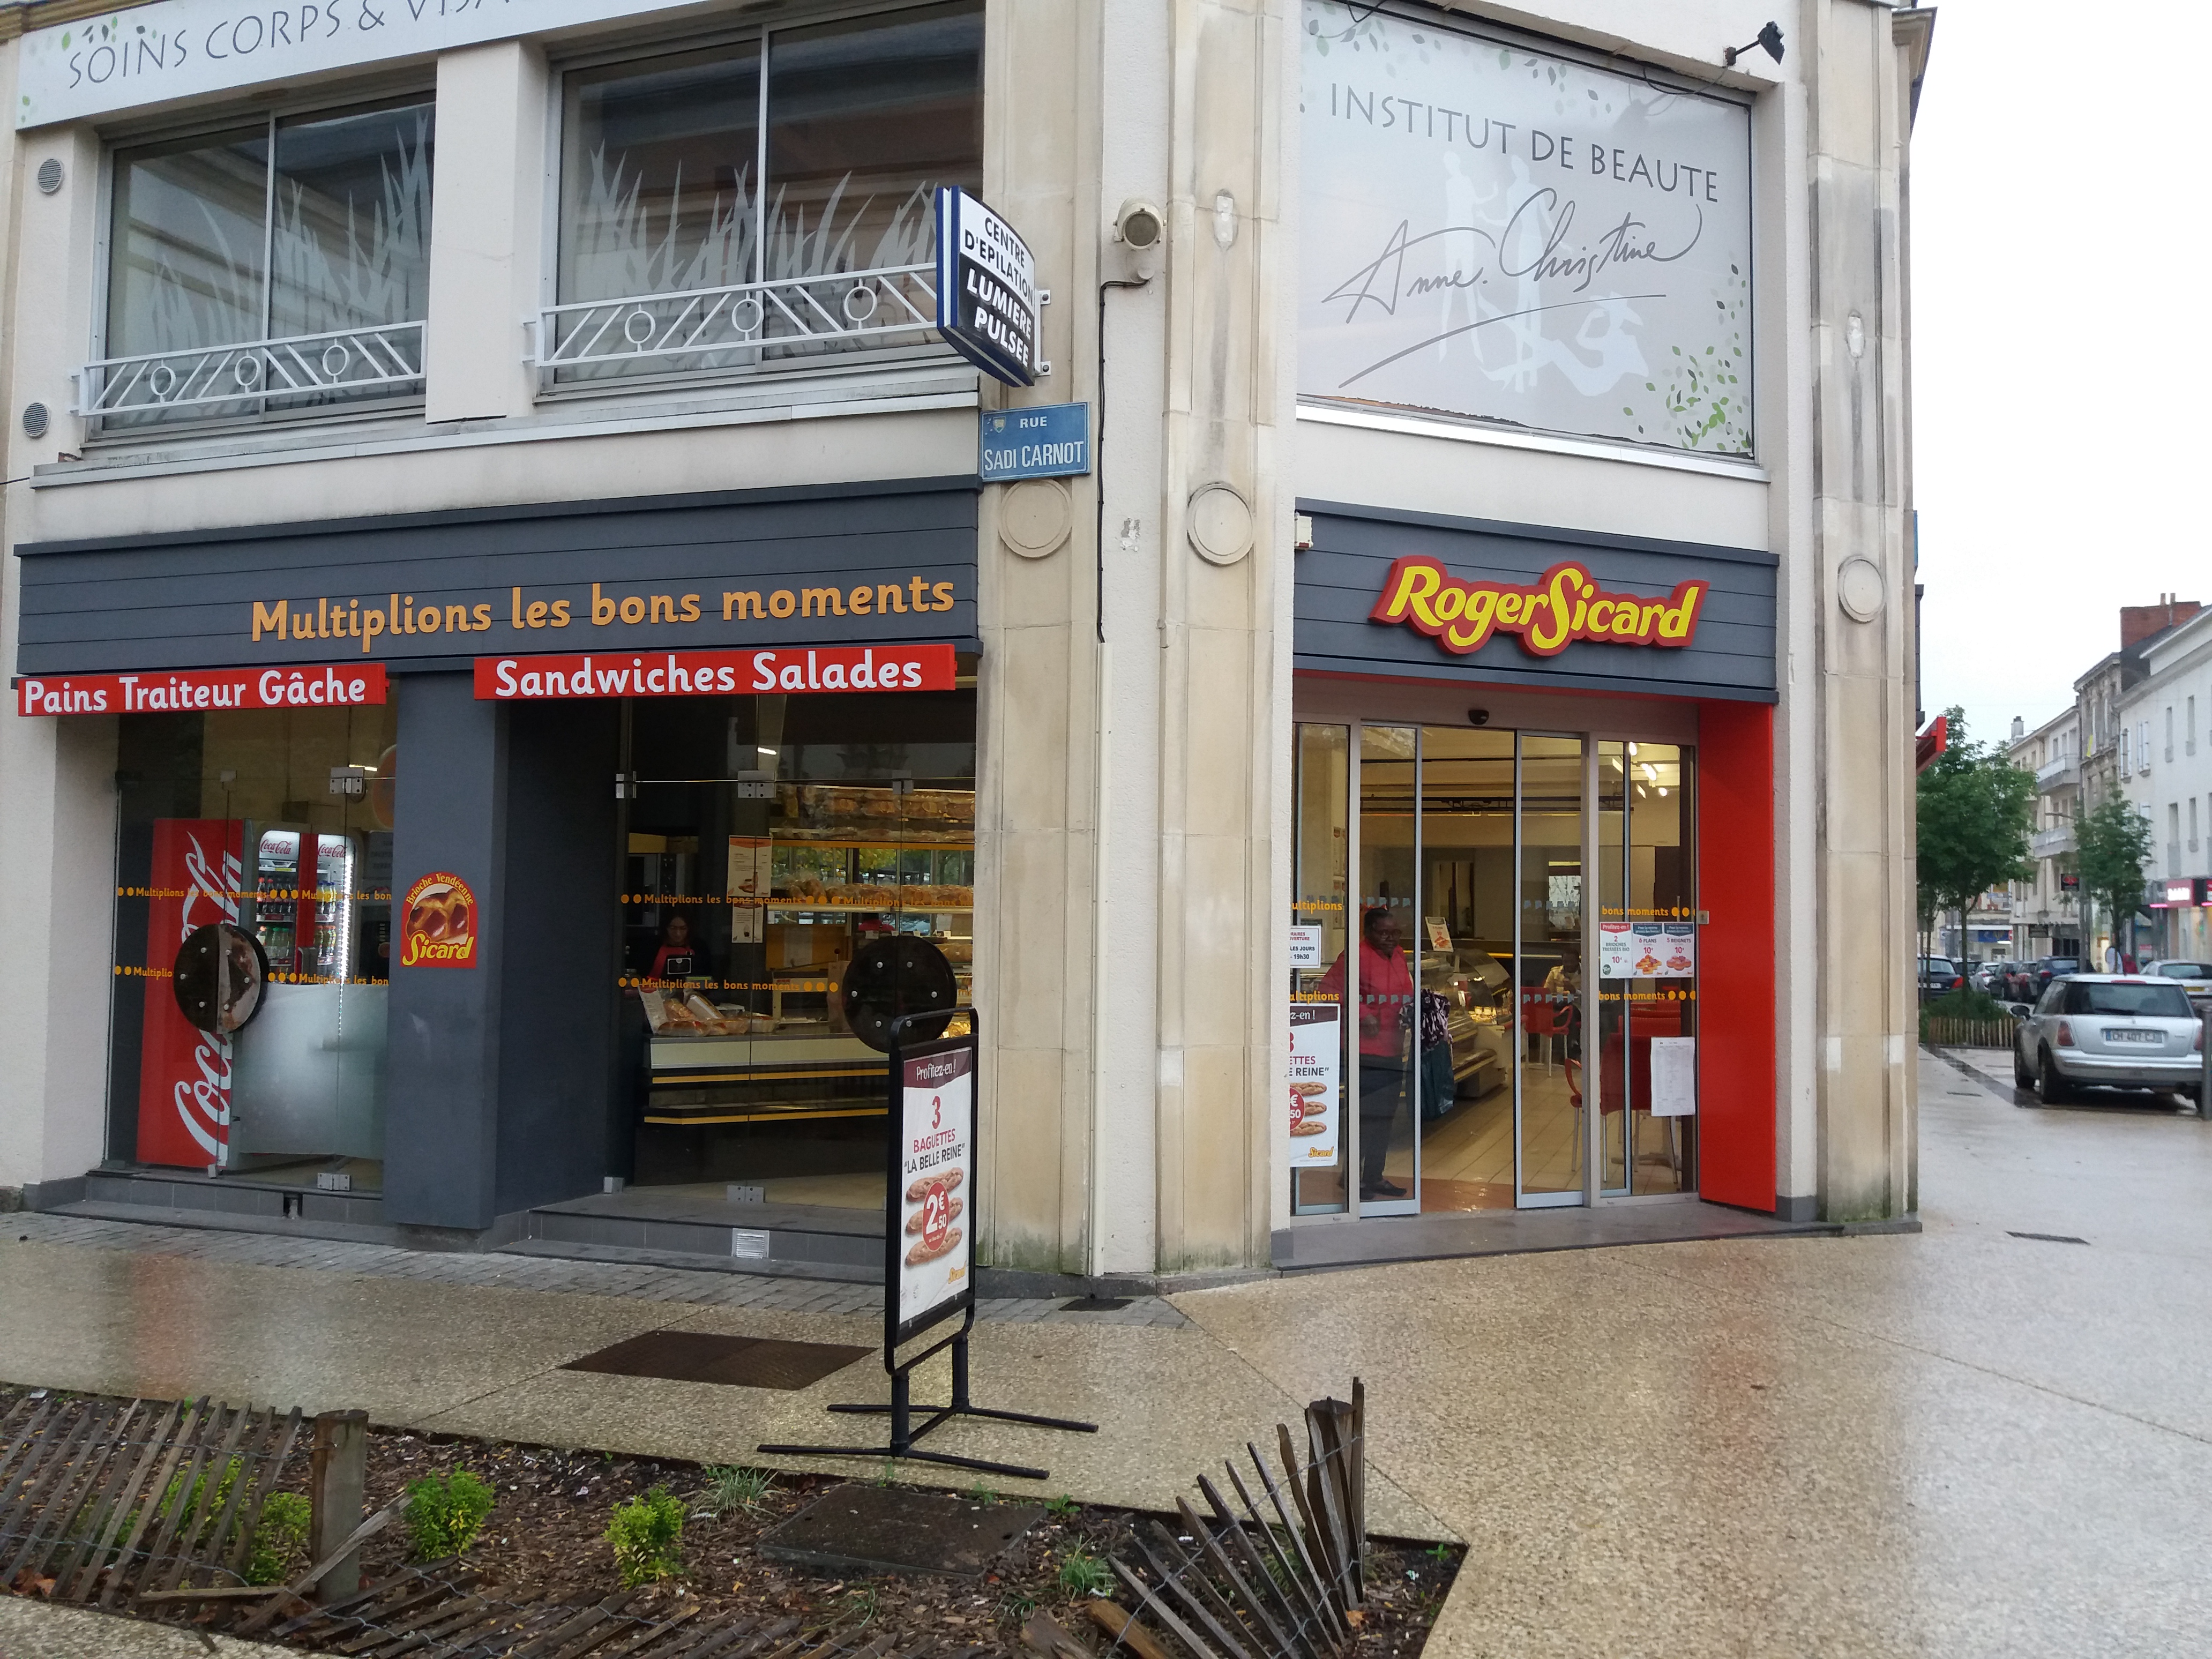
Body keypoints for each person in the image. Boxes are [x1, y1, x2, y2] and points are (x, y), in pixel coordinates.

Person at [1317, 905, 1415, 1201]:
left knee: (1385, 1117)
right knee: (1364, 1117)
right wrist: (1361, 1013)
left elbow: (1403, 992)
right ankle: (1350, 1177)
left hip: (1394, 1048)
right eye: (1384, 933)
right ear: (1369, 932)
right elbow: (1328, 991)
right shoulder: (1354, 956)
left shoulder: (1398, 956)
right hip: (1364, 1050)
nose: (1390, 938)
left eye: (1395, 933)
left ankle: (1374, 1176)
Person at [649, 913, 699, 981]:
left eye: (683, 929)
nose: (678, 934)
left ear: (689, 929)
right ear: (666, 928)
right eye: (673, 928)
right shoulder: (652, 947)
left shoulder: (698, 947)